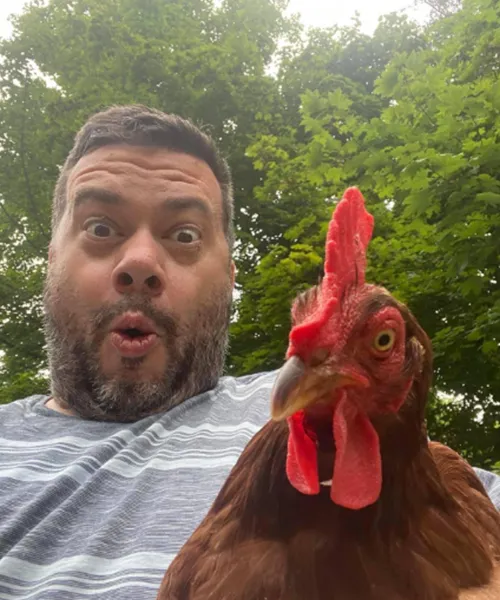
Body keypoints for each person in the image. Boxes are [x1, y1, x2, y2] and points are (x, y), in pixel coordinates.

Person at [0, 105, 498, 599]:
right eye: (101, 228)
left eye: (185, 235)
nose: (140, 263)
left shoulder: (394, 455)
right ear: (51, 258)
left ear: (230, 276)